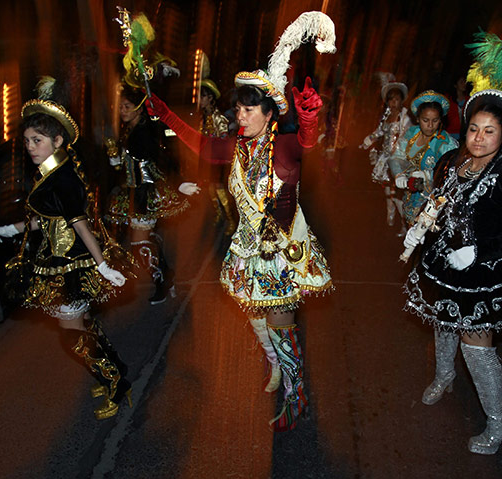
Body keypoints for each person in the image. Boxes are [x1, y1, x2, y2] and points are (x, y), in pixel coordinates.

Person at [146, 11, 336, 431]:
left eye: (250, 108)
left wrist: (307, 118)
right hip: (248, 251)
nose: (241, 114)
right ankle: (274, 366)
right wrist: (165, 115)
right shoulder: (233, 149)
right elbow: (198, 144)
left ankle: (296, 395)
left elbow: (306, 142)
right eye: (240, 107)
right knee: (254, 316)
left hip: (283, 254)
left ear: (269, 113)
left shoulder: (285, 146)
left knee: (281, 325)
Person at [402, 32, 502, 454]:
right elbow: (441, 203)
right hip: (447, 262)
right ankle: (444, 377)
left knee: (477, 344)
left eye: (489, 131)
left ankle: (501, 422)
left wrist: (478, 252)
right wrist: (423, 223)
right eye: (473, 129)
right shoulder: (454, 163)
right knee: (442, 319)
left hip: (486, 272)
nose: (479, 138)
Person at [0, 97, 133, 420]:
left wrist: (103, 264)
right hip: (60, 258)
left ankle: (117, 384)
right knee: (84, 325)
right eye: (26, 141)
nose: (30, 146)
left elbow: (80, 224)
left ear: (57, 141)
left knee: (71, 337)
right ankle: (114, 372)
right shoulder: (53, 172)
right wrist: (10, 230)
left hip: (71, 263)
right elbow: (50, 219)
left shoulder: (62, 176)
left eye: (37, 140)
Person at [104, 84, 200, 304]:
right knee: (144, 238)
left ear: (139, 108)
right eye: (121, 107)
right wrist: (114, 158)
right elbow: (126, 165)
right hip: (133, 192)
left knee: (138, 244)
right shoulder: (130, 130)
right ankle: (166, 276)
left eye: (127, 107)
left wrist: (179, 185)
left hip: (145, 194)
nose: (123, 111)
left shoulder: (145, 133)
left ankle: (162, 280)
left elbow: (162, 161)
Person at [393, 90, 458, 227]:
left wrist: (427, 175)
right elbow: (396, 156)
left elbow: (453, 174)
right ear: (417, 119)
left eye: (435, 121)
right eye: (425, 120)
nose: (430, 125)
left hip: (431, 203)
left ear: (440, 120)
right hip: (410, 195)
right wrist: (398, 174)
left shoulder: (445, 143)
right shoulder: (412, 133)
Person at [360, 77, 412, 228]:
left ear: (402, 100)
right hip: (386, 158)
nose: (393, 102)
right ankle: (390, 214)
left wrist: (400, 152)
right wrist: (368, 140)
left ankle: (404, 223)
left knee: (398, 193)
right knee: (388, 190)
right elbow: (379, 131)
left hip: (400, 159)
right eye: (391, 99)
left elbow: (408, 136)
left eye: (397, 99)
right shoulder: (387, 115)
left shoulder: (405, 116)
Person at [197, 68, 236, 236]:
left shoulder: (219, 118)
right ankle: (219, 214)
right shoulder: (202, 117)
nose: (199, 100)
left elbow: (224, 141)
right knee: (211, 189)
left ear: (210, 98)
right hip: (207, 159)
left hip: (219, 161)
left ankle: (231, 220)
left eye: (202, 96)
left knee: (220, 189)